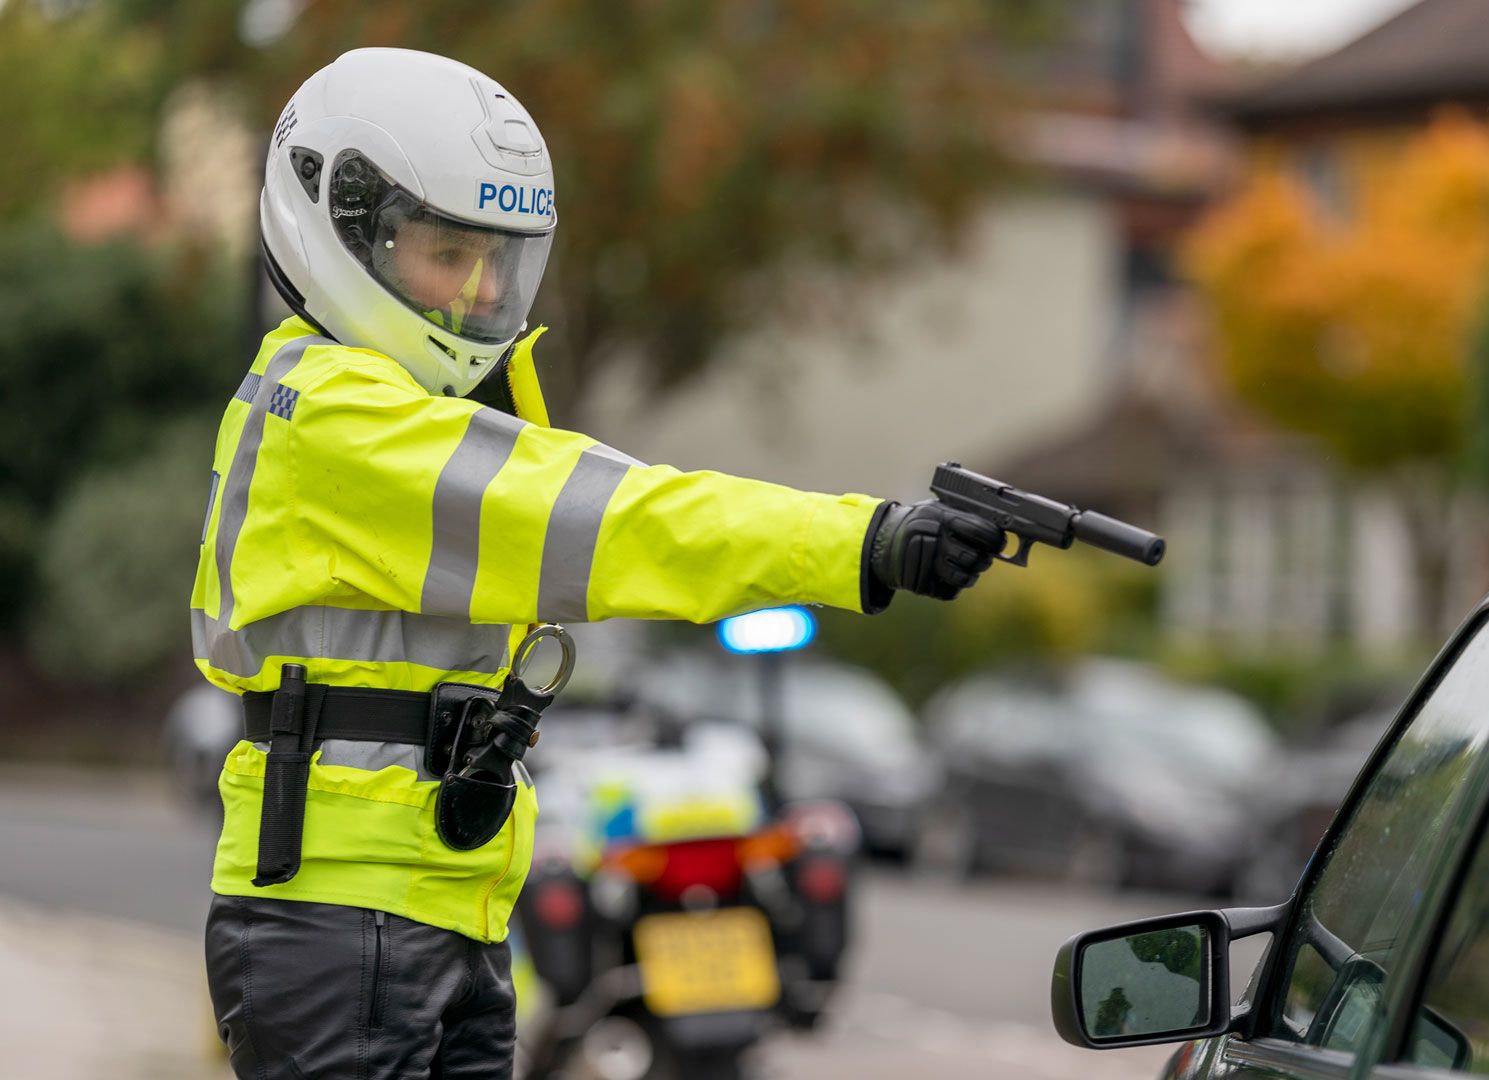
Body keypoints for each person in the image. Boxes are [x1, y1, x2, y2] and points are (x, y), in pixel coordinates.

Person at [192, 47, 1004, 1078]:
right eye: (448, 252)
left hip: (429, 911)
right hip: (346, 926)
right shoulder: (343, 421)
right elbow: (620, 522)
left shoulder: (372, 410)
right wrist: (862, 540)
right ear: (346, 221)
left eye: (498, 260)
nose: (479, 292)